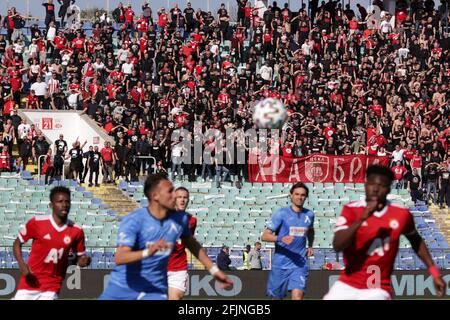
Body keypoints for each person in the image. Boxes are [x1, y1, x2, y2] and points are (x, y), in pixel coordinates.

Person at [99, 174, 232, 300]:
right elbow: (120, 257)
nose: (175, 195)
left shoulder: (181, 219)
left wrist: (214, 270)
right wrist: (148, 252)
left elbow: (192, 244)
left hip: (162, 279)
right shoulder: (134, 221)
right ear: (155, 196)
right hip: (128, 281)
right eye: (170, 191)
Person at [324, 165, 445, 300]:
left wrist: (434, 272)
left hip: (377, 289)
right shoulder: (351, 210)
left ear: (388, 188)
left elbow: (416, 241)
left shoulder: (401, 214)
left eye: (381, 185)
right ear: (365, 184)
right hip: (347, 285)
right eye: (371, 183)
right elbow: (337, 244)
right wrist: (361, 219)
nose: (375, 189)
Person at [12, 186, 91, 300]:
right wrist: (22, 264)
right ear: (51, 205)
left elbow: (80, 258)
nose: (64, 205)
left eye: (67, 201)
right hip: (30, 281)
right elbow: (17, 243)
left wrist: (84, 261)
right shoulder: (36, 223)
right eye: (60, 201)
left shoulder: (76, 231)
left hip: (53, 284)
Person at [261, 182, 315, 300]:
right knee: (275, 298)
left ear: (306, 197)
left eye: (302, 195)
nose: (299, 197)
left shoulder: (309, 215)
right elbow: (264, 236)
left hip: (299, 264)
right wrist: (281, 238)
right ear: (291, 195)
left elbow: (310, 231)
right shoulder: (281, 214)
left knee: (297, 296)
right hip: (280, 265)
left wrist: (310, 245)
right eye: (297, 194)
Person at [167, 187, 197, 300]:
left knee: (176, 297)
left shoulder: (192, 221)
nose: (182, 200)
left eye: (185, 197)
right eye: (179, 197)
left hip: (178, 267)